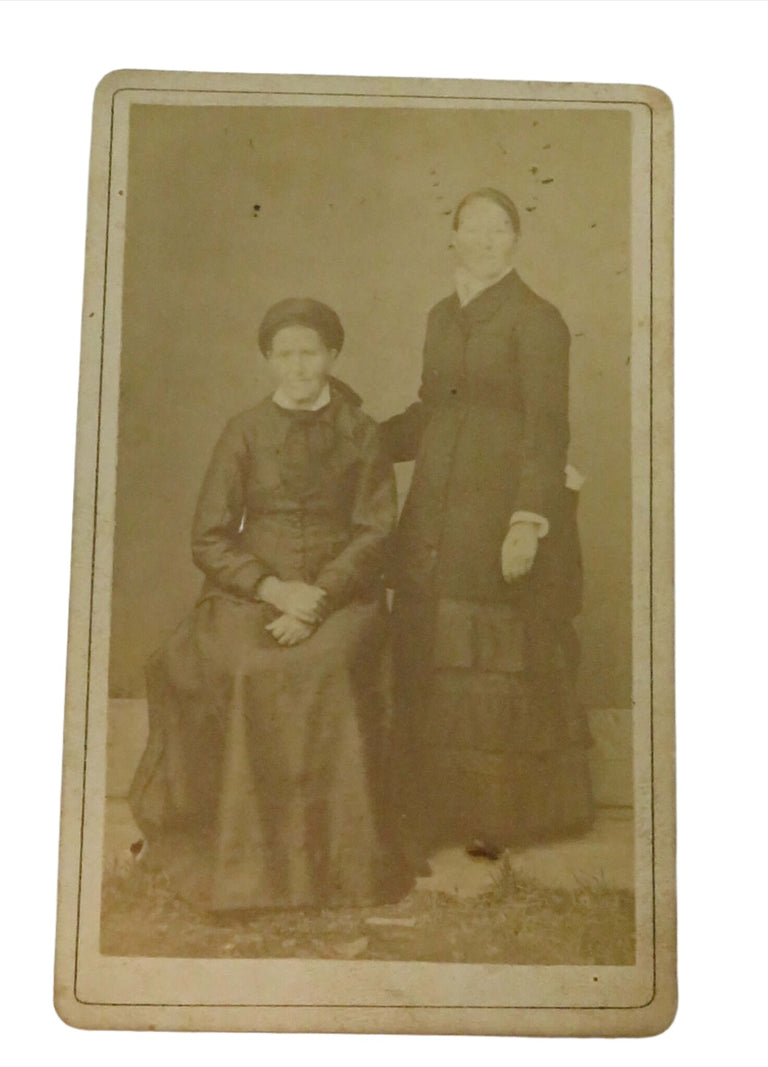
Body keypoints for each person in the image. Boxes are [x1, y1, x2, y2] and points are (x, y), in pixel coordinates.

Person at [129, 298, 414, 911]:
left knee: (327, 668)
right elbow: (208, 534)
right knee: (249, 669)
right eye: (285, 354)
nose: (299, 366)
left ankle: (336, 867)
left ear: (332, 355)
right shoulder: (244, 429)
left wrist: (320, 597)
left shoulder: (360, 432)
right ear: (268, 360)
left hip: (344, 595)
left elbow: (375, 529)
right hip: (251, 593)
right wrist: (273, 589)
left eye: (310, 352)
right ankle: (244, 864)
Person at [381, 188, 594, 860]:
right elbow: (428, 409)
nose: (486, 239)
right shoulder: (441, 316)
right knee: (428, 654)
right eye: (473, 227)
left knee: (489, 665)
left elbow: (547, 428)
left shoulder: (537, 319)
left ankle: (492, 817)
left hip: (497, 506)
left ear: (516, 240)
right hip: (435, 508)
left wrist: (526, 522)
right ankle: (429, 811)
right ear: (452, 235)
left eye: (500, 228)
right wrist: (360, 438)